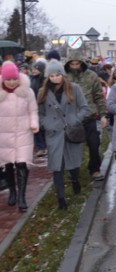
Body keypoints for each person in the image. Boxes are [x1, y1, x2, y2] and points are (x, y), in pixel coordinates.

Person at [38, 60, 90, 210]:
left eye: (58, 74)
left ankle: (75, 179)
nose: (55, 78)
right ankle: (61, 198)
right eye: (52, 75)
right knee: (57, 167)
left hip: (71, 131)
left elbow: (84, 108)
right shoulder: (43, 92)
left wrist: (75, 119)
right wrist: (47, 124)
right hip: (54, 134)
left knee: (73, 164)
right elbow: (40, 113)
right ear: (48, 77)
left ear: (63, 74)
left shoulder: (74, 88)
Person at [0, 61, 39, 211]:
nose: (11, 82)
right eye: (8, 79)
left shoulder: (27, 92)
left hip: (23, 132)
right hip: (4, 135)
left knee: (22, 163)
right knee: (8, 164)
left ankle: (22, 197)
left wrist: (34, 123)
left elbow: (33, 110)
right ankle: (12, 192)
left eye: (14, 79)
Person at [64, 51, 109, 181]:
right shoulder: (65, 77)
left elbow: (99, 96)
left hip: (90, 117)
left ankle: (94, 169)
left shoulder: (92, 76)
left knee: (94, 144)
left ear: (82, 63)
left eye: (77, 63)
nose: (75, 66)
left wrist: (103, 115)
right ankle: (73, 172)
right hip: (72, 118)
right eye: (72, 64)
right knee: (73, 147)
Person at [30, 59, 48, 157]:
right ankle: (41, 147)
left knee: (43, 127)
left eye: (36, 69)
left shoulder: (44, 80)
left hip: (42, 105)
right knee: (36, 127)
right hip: (33, 105)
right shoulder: (31, 79)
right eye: (32, 69)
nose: (33, 71)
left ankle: (44, 146)